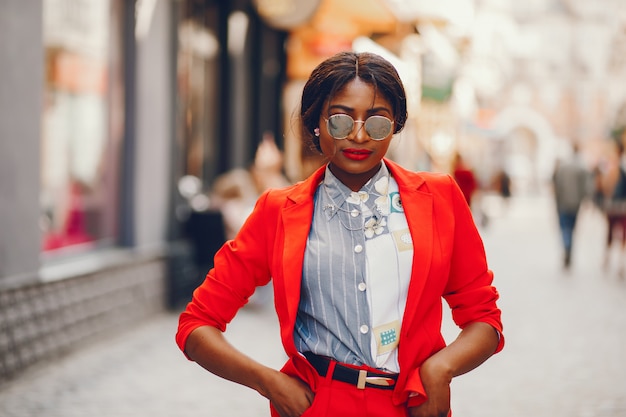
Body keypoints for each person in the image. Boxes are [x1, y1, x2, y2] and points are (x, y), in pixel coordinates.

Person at [176, 51, 504, 417]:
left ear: (396, 125)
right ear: (315, 122)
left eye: (377, 121)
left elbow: (484, 320)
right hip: (317, 405)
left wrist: (440, 369)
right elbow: (196, 326)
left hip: (413, 404)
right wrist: (269, 382)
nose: (359, 135)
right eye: (340, 120)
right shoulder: (279, 211)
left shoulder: (439, 198)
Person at [551, 143, 591, 269]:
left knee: (565, 228)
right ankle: (569, 250)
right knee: (571, 229)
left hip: (563, 203)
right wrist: (584, 199)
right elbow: (586, 186)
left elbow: (557, 186)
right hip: (575, 203)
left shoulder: (563, 167)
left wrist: (556, 203)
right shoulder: (581, 167)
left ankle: (567, 247)